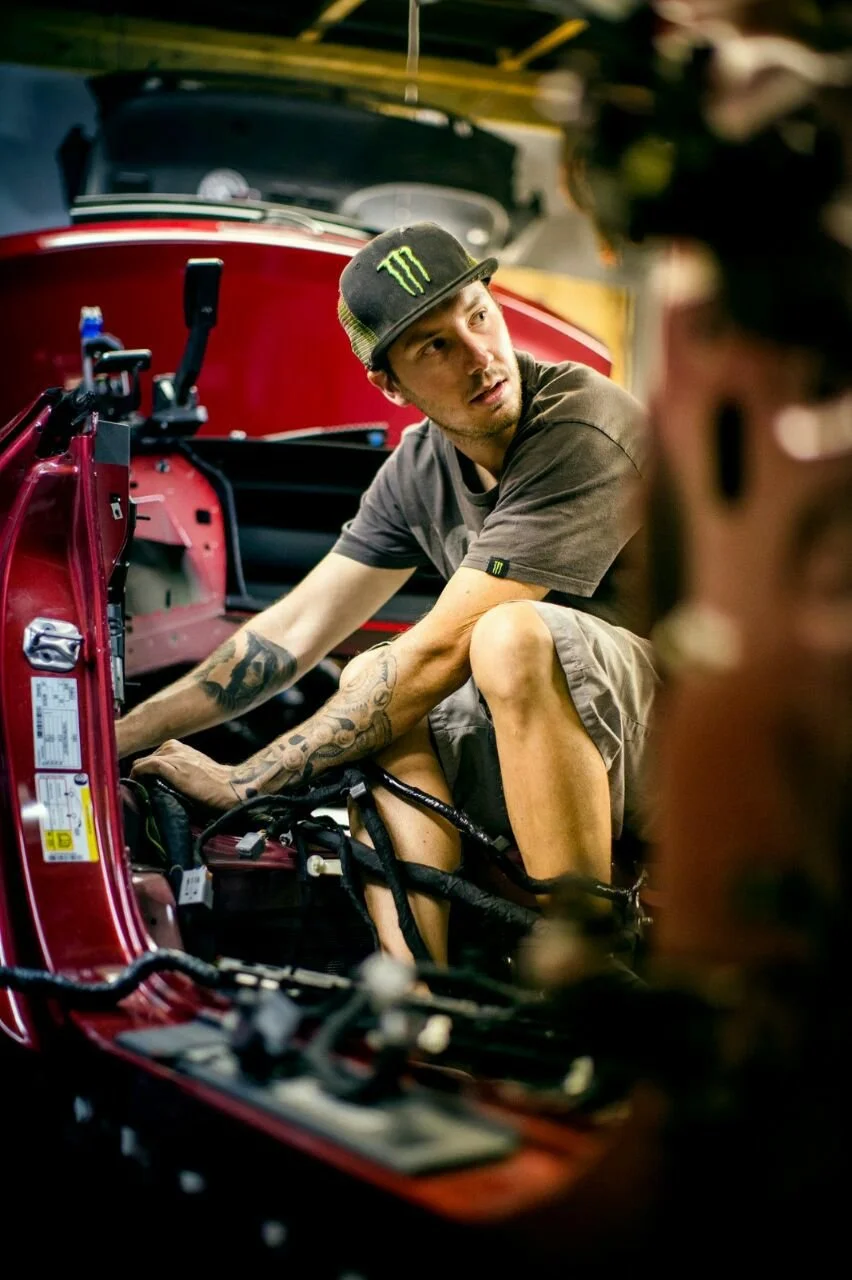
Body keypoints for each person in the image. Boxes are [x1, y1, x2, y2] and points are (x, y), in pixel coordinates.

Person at [121, 221, 657, 965]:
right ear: (390, 384)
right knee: (371, 679)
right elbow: (290, 634)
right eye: (435, 345)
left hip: (693, 739)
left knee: (506, 637)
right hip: (577, 744)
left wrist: (245, 779)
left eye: (477, 314)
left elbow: (439, 653)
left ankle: (585, 960)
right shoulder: (420, 469)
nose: (479, 356)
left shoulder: (581, 423)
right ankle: (418, 1000)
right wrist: (116, 738)